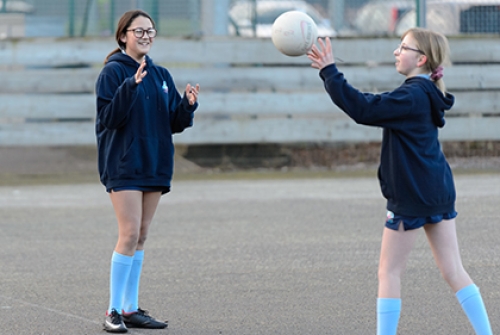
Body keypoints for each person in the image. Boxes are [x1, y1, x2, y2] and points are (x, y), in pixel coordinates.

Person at [307, 28, 493, 335]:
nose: (396, 51)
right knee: (453, 271)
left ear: (421, 59)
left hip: (412, 194)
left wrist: (330, 72)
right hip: (439, 191)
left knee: (389, 271)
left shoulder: (412, 95)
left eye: (403, 47)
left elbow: (362, 109)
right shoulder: (426, 92)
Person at [95, 9, 200, 333]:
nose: (145, 36)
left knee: (141, 236)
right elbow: (110, 118)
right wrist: (130, 86)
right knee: (127, 234)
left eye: (150, 31)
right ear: (123, 35)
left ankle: (130, 308)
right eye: (138, 31)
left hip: (155, 163)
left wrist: (187, 107)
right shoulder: (112, 73)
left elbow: (172, 123)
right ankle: (113, 311)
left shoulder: (161, 75)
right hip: (124, 165)